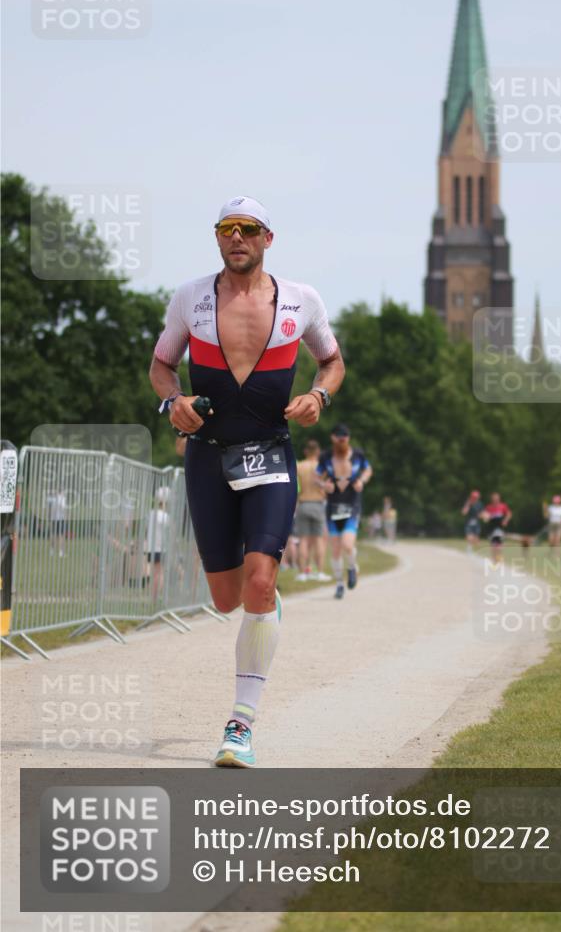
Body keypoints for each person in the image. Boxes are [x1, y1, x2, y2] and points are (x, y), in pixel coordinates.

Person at [149, 196, 345, 767]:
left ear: (267, 238)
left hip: (271, 454)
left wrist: (318, 395)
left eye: (248, 229)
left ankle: (241, 725)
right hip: (208, 455)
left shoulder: (300, 300)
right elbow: (161, 365)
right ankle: (264, 603)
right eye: (226, 229)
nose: (237, 238)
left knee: (259, 584)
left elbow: (332, 361)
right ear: (217, 238)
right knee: (227, 597)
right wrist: (173, 402)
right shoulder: (190, 297)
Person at [317, 423, 372, 599]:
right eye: (339, 437)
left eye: (345, 437)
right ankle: (340, 584)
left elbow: (368, 470)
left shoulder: (358, 455)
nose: (342, 440)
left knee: (347, 545)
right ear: (333, 438)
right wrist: (324, 485)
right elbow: (316, 477)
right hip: (333, 507)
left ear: (348, 438)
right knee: (335, 549)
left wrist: (362, 481)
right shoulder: (325, 457)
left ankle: (352, 567)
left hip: (352, 505)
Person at [295, 440, 330, 582]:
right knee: (318, 540)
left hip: (303, 504)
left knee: (303, 540)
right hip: (318, 504)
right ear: (318, 452)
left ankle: (303, 573)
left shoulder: (299, 466)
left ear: (305, 451)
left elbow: (295, 487)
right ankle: (320, 572)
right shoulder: (322, 467)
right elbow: (327, 487)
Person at [144, 486, 170, 601]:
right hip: (160, 548)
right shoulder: (165, 516)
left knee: (154, 572)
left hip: (151, 547)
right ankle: (155, 597)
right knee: (159, 574)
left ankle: (152, 597)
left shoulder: (150, 514)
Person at [481, 492, 512, 564]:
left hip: (499, 528)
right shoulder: (489, 507)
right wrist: (485, 517)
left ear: (499, 499)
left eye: (497, 498)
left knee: (499, 544)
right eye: (494, 499)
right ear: (492, 499)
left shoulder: (503, 506)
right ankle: (494, 558)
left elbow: (509, 514)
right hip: (491, 528)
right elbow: (484, 515)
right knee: (493, 545)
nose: (495, 500)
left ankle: (498, 557)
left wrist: (505, 520)